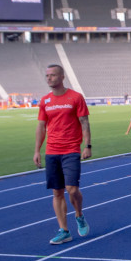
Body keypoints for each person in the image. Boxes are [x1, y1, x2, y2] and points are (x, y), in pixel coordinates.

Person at [33, 64, 92, 245]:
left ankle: (79, 214)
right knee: (57, 192)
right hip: (52, 151)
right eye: (47, 75)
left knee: (72, 189)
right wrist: (37, 150)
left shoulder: (75, 97)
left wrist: (87, 145)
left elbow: (84, 123)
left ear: (62, 76)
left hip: (71, 149)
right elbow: (41, 126)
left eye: (52, 75)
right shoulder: (45, 101)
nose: (49, 78)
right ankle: (64, 230)